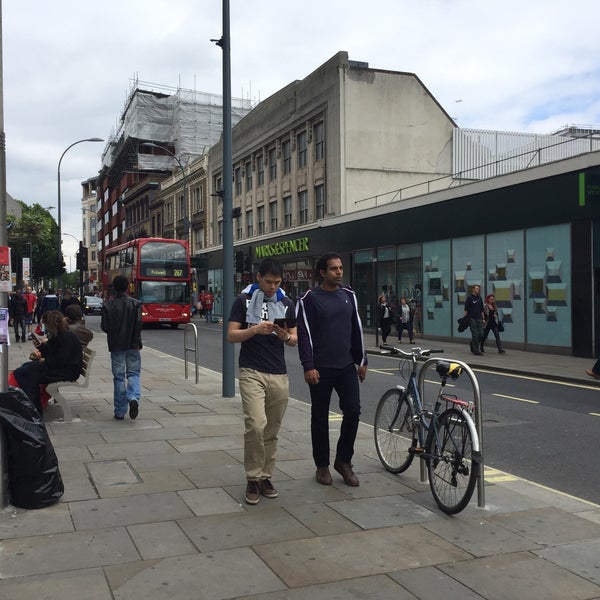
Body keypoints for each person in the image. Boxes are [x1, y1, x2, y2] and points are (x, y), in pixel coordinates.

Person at [227, 258, 297, 505]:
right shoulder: (243, 301)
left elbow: (294, 339)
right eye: (268, 282)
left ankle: (266, 476)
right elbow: (232, 335)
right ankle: (253, 478)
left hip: (278, 372)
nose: (272, 287)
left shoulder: (286, 303)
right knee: (255, 425)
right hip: (251, 371)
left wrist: (284, 335)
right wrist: (254, 330)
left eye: (277, 283)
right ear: (258, 278)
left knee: (272, 430)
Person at [296, 252, 368, 487]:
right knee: (320, 417)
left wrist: (362, 360)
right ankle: (322, 465)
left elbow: (356, 329)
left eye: (340, 268)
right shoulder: (309, 298)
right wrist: (309, 366)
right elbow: (305, 334)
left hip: (346, 365)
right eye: (334, 269)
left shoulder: (349, 295)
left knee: (353, 411)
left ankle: (343, 461)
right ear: (322, 272)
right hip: (320, 369)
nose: (339, 272)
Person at [13, 310, 83, 415]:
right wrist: (40, 347)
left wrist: (43, 360)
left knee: (28, 374)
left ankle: (34, 409)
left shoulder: (64, 337)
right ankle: (32, 405)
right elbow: (51, 353)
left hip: (66, 371)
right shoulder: (58, 334)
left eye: (45, 324)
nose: (43, 326)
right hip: (60, 368)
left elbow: (59, 360)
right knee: (24, 368)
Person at [101, 275, 143, 420]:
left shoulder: (107, 306)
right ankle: (133, 397)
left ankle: (120, 411)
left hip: (116, 345)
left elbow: (104, 327)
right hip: (133, 345)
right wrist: (136, 343)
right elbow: (138, 326)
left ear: (114, 288)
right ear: (127, 287)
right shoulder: (136, 304)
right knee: (133, 373)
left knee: (118, 377)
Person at [464, 284, 485, 356]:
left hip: (479, 318)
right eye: (476, 289)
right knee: (475, 334)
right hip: (472, 318)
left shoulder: (480, 298)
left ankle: (473, 343)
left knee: (481, 334)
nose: (478, 290)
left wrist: (483, 318)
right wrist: (465, 318)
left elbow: (482, 310)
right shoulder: (469, 298)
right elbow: (466, 309)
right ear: (473, 289)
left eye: (478, 289)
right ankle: (476, 350)